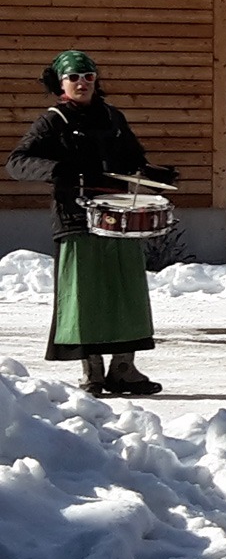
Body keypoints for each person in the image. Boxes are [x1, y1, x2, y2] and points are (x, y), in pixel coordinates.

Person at [7, 51, 168, 396]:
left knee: (128, 295)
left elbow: (134, 160)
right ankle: (92, 373)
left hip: (120, 217)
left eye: (89, 76)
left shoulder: (113, 117)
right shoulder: (53, 120)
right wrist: (56, 170)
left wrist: (151, 173)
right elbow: (17, 162)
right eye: (74, 77)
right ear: (61, 83)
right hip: (77, 218)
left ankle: (124, 369)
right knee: (86, 298)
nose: (82, 83)